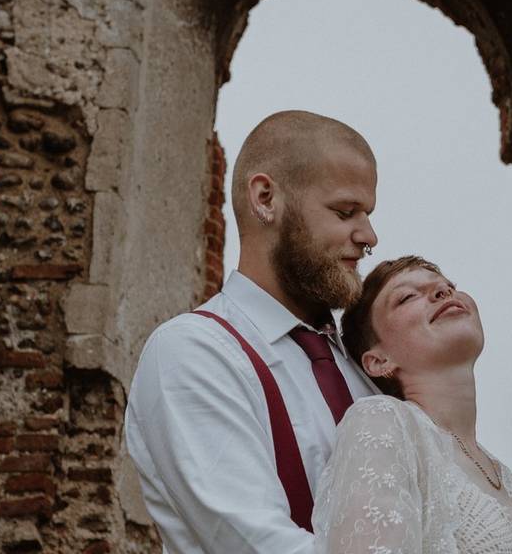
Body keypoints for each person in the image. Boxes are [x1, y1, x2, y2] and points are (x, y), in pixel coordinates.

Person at [125, 110, 382, 553]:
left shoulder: (364, 367)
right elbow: (253, 543)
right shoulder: (192, 353)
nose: (369, 235)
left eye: (368, 213)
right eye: (346, 212)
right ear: (265, 198)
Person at [311, 255, 512, 553]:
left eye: (448, 286)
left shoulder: (504, 476)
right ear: (378, 361)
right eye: (407, 297)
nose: (443, 292)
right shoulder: (382, 422)